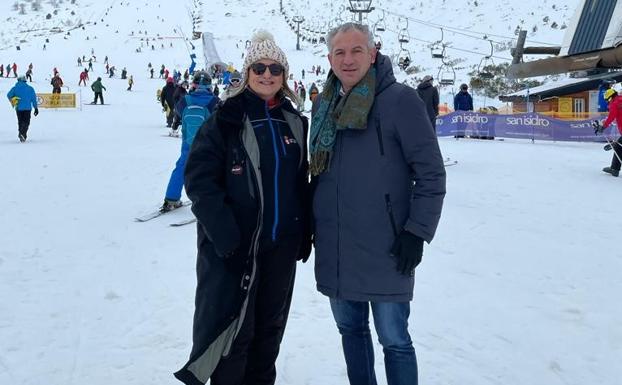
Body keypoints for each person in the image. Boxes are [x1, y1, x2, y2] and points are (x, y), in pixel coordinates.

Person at [310, 23, 446, 385]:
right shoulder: (323, 104)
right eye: (340, 52)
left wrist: (417, 231)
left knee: (395, 341)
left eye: (357, 50)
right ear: (330, 59)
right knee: (351, 333)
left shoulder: (400, 100)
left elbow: (431, 173)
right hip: (337, 246)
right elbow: (316, 175)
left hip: (386, 248)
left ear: (373, 53)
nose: (348, 59)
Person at [174, 30, 312, 385]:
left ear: (284, 75)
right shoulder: (225, 120)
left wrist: (304, 230)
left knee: (269, 334)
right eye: (260, 67)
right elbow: (200, 182)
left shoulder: (294, 121)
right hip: (237, 249)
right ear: (248, 72)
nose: (267, 74)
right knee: (235, 335)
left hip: (280, 248)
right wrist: (227, 238)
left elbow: (299, 181)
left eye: (276, 69)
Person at [160, 71, 218, 211]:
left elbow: (178, 113)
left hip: (188, 141)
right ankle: (208, 200)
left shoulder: (186, 100)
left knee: (181, 167)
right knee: (211, 169)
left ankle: (171, 198)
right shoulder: (214, 101)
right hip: (209, 143)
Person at [595, 88, 622, 177]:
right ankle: (614, 168)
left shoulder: (614, 104)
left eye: (607, 100)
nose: (607, 102)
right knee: (619, 146)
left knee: (618, 147)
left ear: (610, 98)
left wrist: (603, 127)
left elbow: (611, 117)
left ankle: (614, 169)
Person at [6, 76, 39, 142]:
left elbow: (9, 95)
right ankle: (23, 134)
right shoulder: (30, 88)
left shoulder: (15, 88)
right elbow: (33, 99)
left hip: (18, 108)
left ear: (18, 80)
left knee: (20, 121)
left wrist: (13, 99)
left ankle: (21, 134)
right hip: (27, 108)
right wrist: (35, 108)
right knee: (26, 122)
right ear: (25, 81)